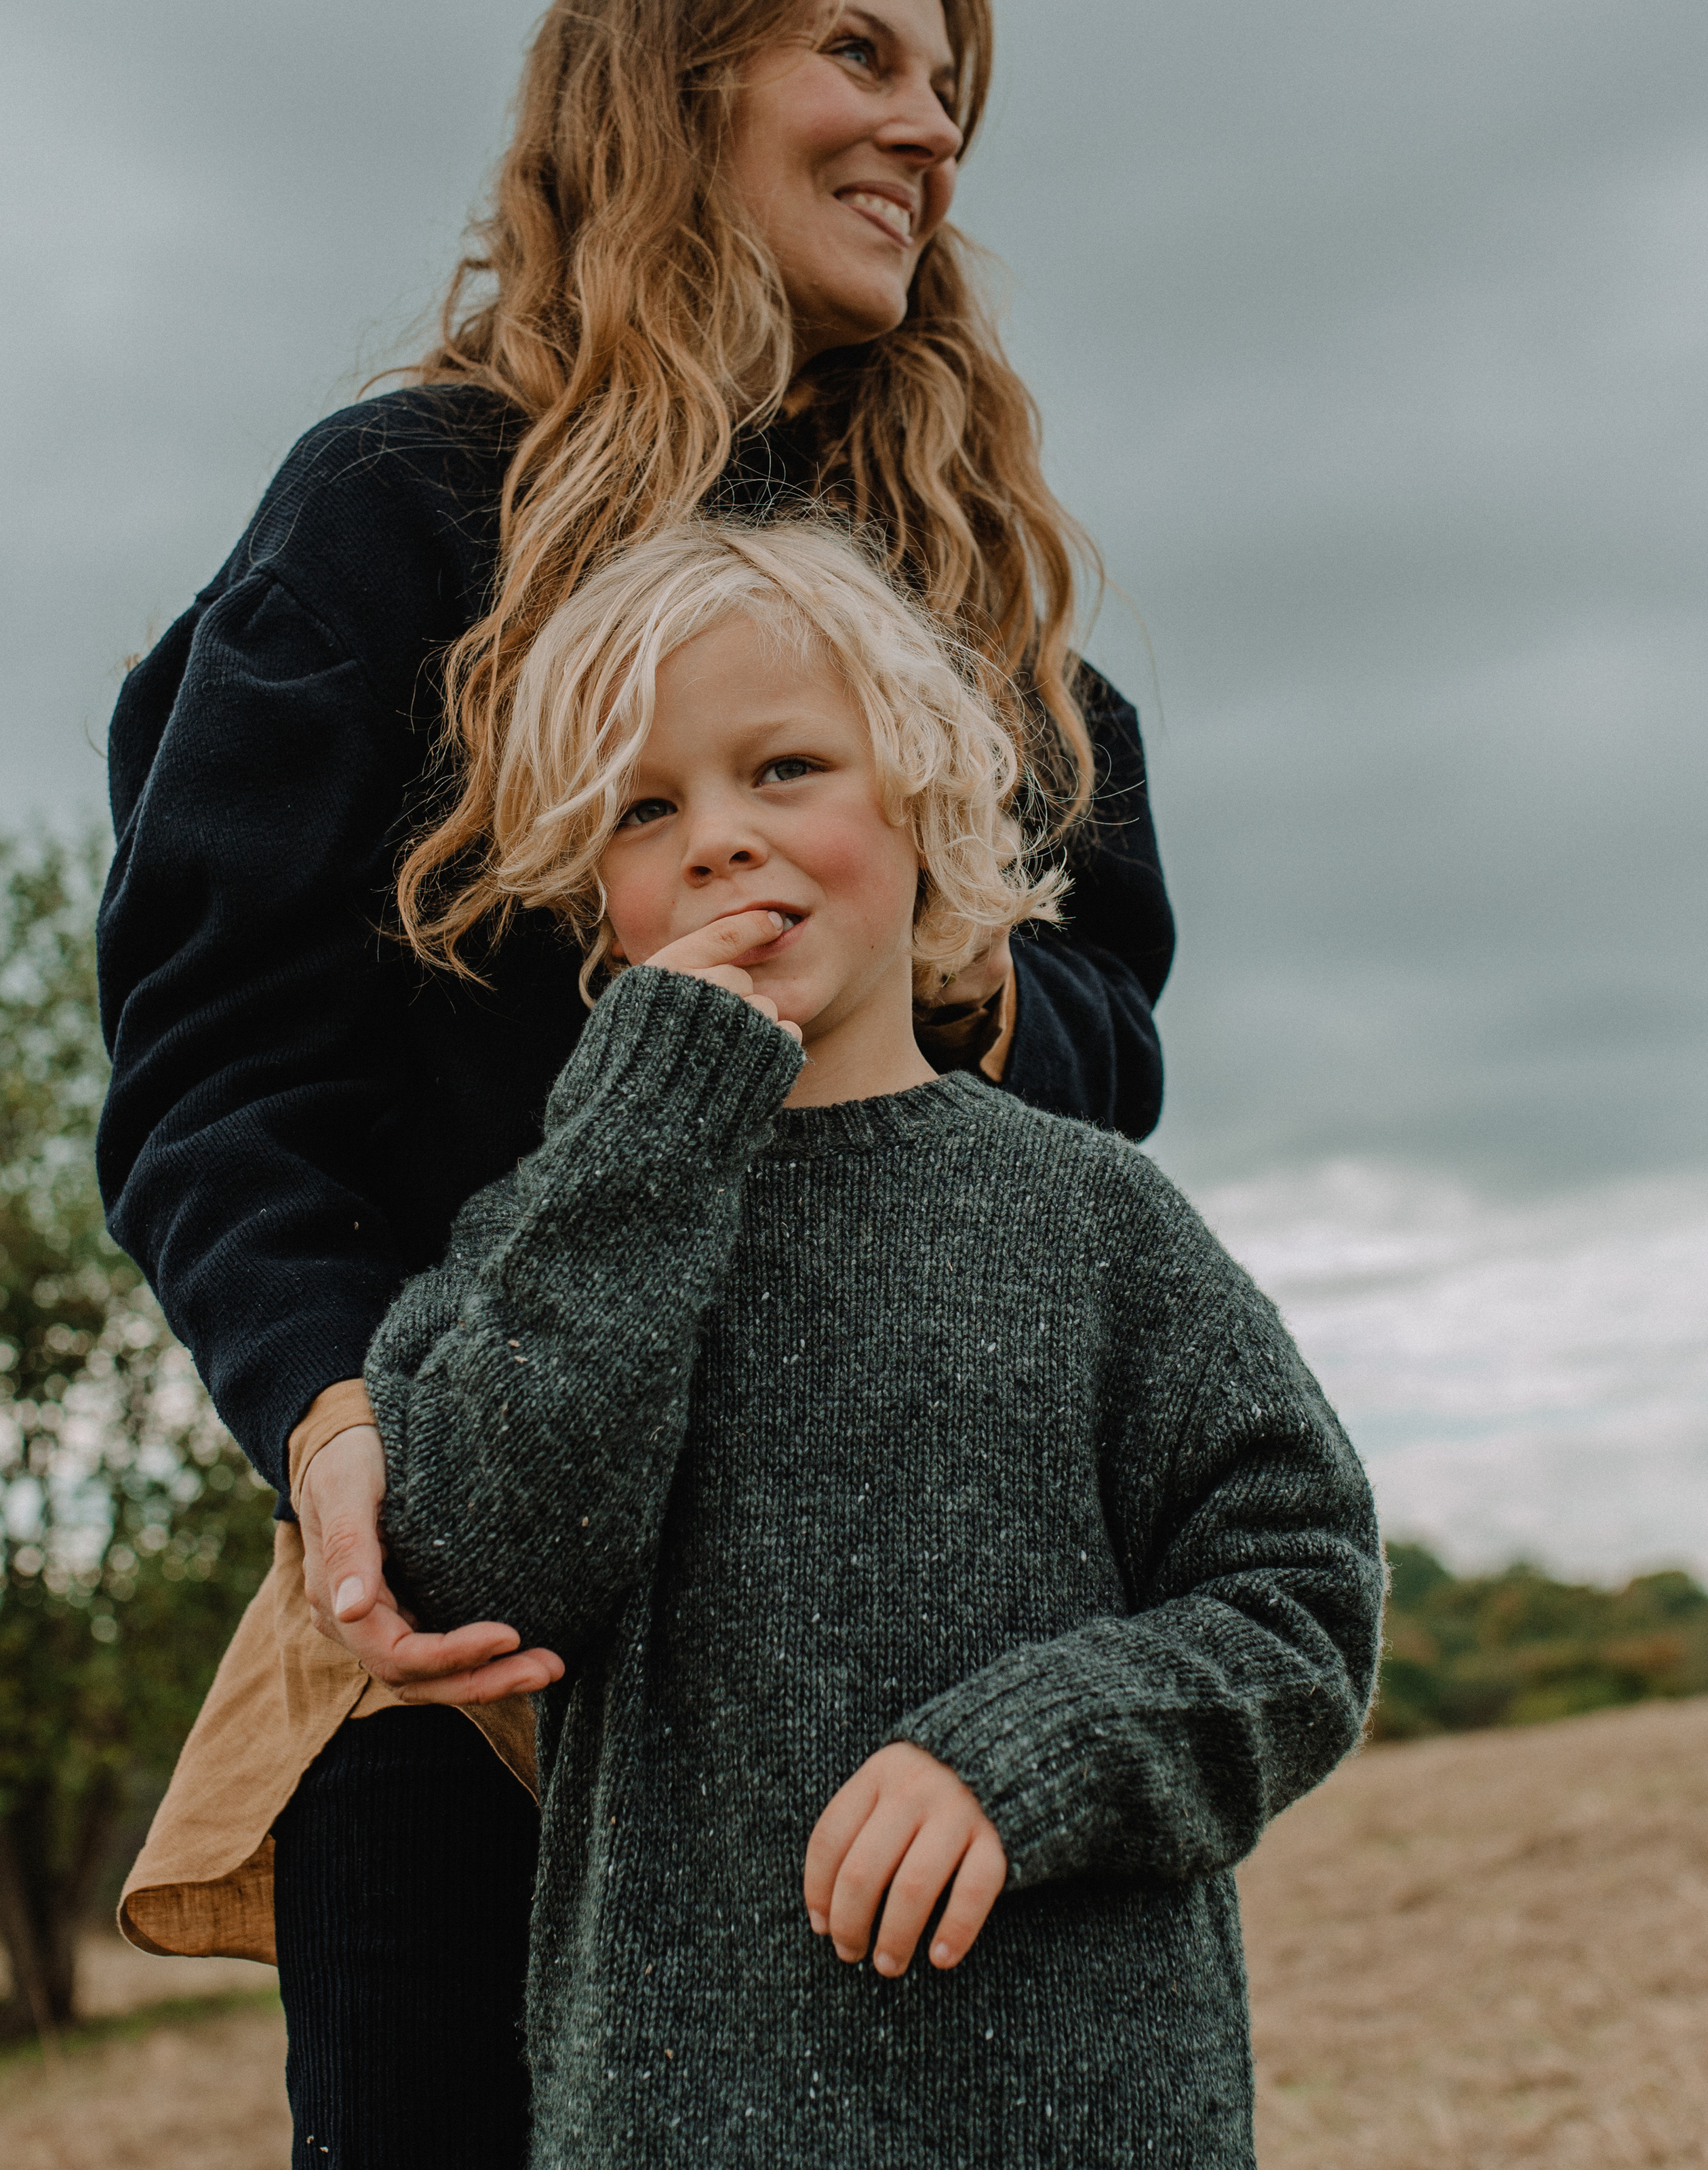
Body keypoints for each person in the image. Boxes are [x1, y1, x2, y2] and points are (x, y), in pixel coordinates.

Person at [96, 0, 1177, 2162]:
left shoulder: (980, 613)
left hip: (899, 1616)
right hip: (474, 1632)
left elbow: (1116, 1039)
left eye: (951, 86)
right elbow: (215, 1062)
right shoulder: (396, 511)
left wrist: (926, 947)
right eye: (864, 57)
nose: (930, 130)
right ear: (674, 91)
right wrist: (331, 1426)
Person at [364, 516, 1383, 2169]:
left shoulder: (1093, 1220)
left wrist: (1025, 1754)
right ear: (595, 898)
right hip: (677, 2117)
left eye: (782, 768)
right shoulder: (535, 1241)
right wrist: (643, 1137)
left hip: (1084, 2112)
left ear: (918, 797)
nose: (716, 841)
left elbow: (1297, 1602)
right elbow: (487, 1560)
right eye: (644, 808)